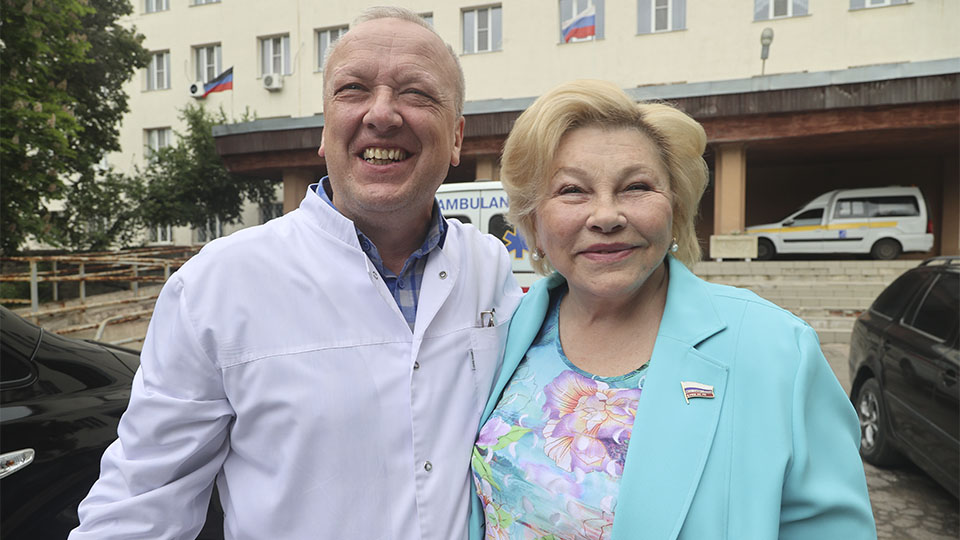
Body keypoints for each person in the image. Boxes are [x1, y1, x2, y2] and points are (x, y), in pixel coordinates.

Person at [70, 7, 523, 540]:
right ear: (325, 129)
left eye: (417, 93)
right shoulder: (216, 286)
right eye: (353, 89)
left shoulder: (490, 269)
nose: (382, 114)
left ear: (457, 138)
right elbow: (140, 506)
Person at [469, 80, 876, 539]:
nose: (606, 216)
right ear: (533, 223)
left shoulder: (778, 350)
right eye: (572, 190)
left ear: (676, 209)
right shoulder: (505, 328)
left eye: (636, 187)